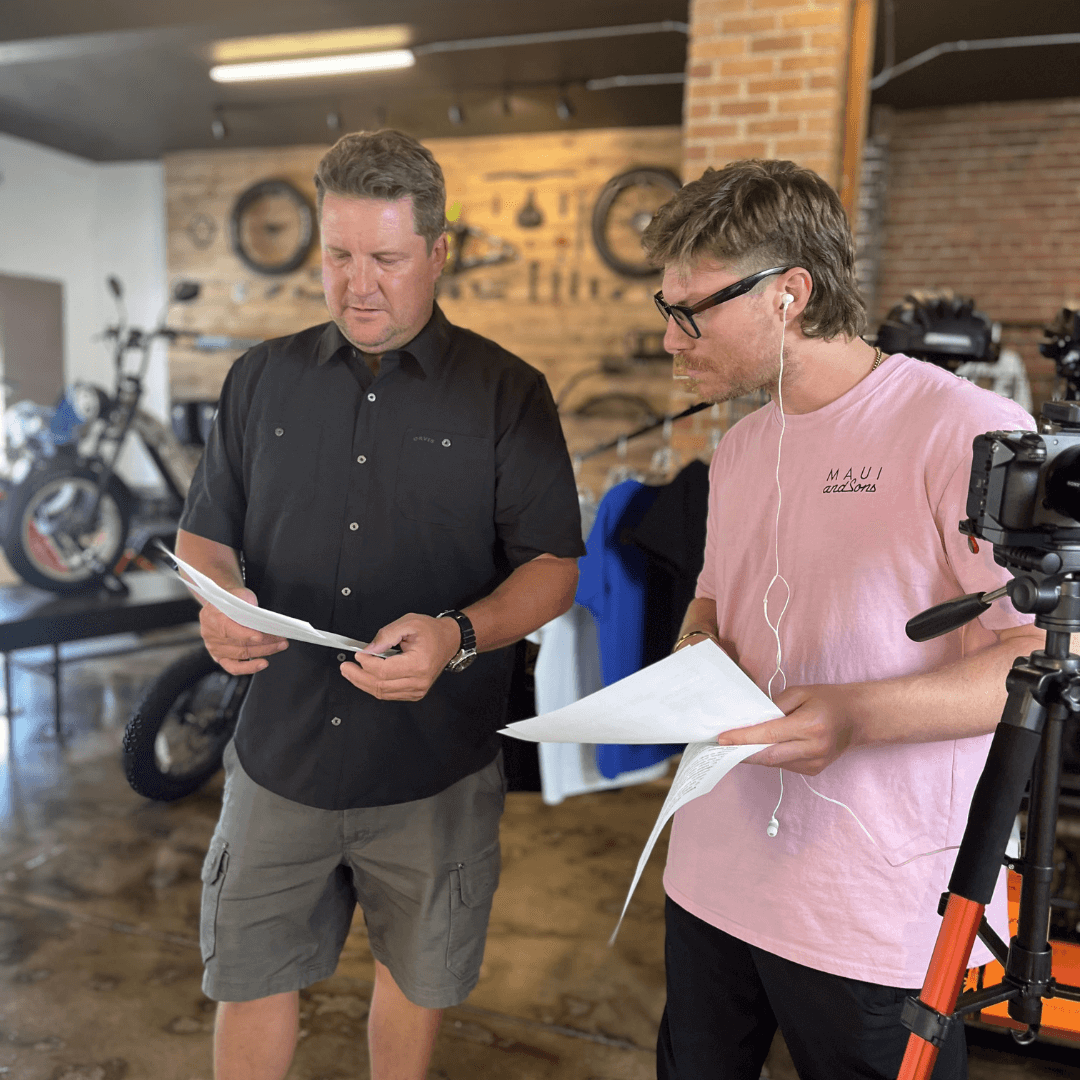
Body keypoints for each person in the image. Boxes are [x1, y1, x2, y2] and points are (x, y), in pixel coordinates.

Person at [176, 129, 584, 1080]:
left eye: (387, 259)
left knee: (416, 977)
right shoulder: (259, 379)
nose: (359, 284)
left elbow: (554, 569)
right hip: (278, 756)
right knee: (249, 974)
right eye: (339, 255)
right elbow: (205, 532)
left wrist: (458, 634)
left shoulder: (507, 393)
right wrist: (219, 600)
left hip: (432, 768)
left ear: (438, 254)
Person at [642, 159, 1041, 1079]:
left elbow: (1043, 651)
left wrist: (857, 715)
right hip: (712, 871)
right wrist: (695, 646)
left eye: (689, 310)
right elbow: (715, 593)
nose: (671, 339)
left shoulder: (965, 431)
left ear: (789, 293)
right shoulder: (742, 445)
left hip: (872, 909)